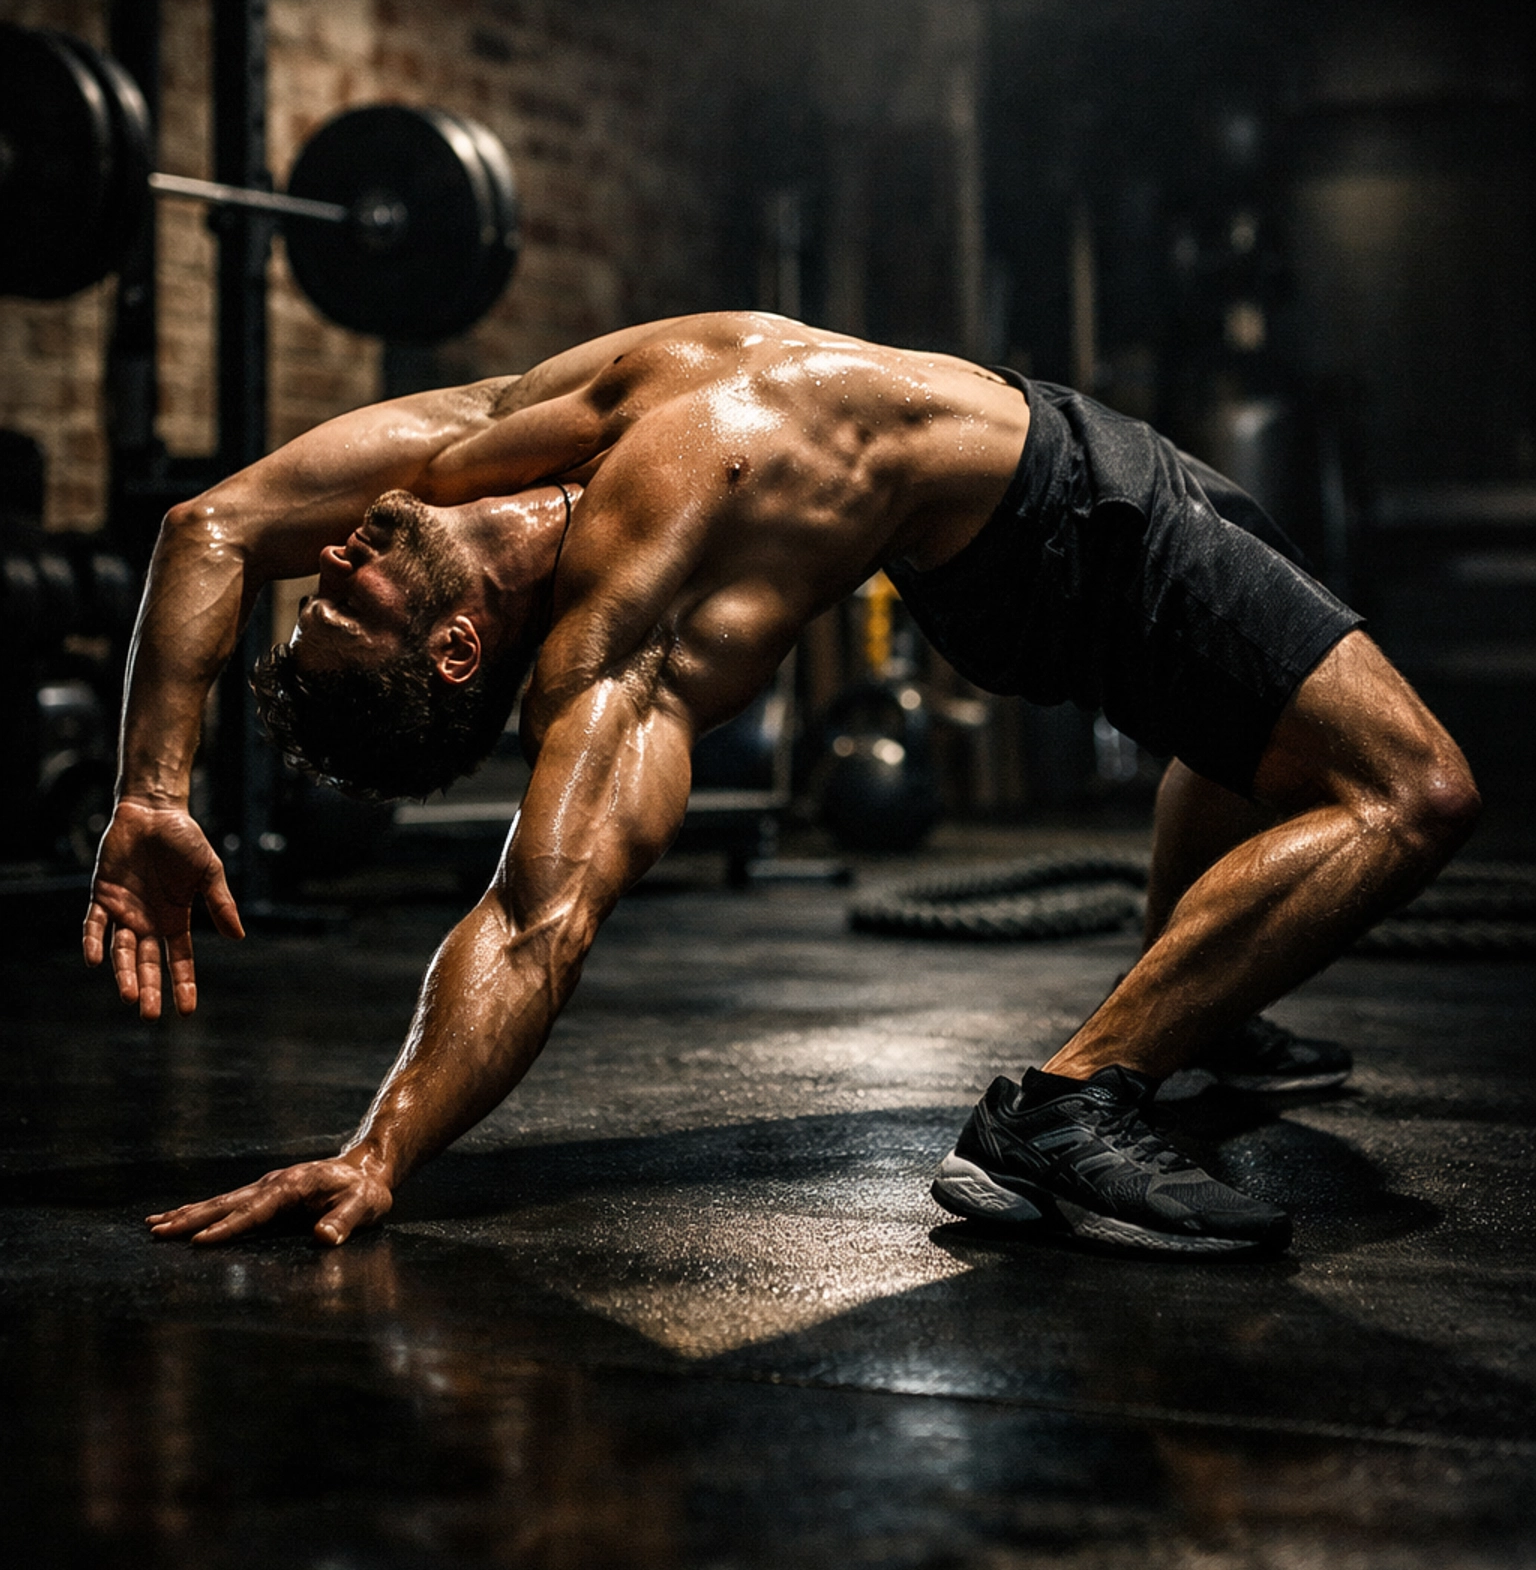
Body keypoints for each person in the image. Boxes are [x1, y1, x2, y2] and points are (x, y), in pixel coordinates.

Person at [83, 313, 1478, 1259]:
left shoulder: (494, 440)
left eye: (327, 590)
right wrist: (380, 1151)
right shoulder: (617, 643)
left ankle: (1206, 1019)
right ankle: (1069, 1109)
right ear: (455, 650)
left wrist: (151, 794)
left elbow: (209, 528)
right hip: (1072, 529)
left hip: (1055, 472)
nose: (327, 568)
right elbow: (534, 918)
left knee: (1249, 733)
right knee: (1413, 791)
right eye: (351, 604)